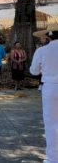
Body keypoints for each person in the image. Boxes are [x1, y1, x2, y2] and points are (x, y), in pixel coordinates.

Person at [30, 24, 58, 163]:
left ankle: (53, 159)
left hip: (50, 86)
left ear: (48, 36)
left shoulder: (42, 50)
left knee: (51, 123)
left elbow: (34, 71)